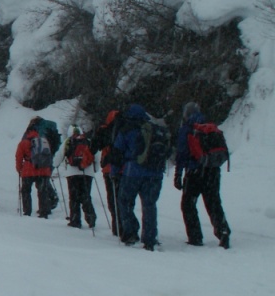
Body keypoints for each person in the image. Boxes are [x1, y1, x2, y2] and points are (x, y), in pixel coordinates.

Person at [174, 101, 231, 249]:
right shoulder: (210, 126)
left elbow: (181, 154)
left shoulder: (187, 129)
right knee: (213, 202)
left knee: (188, 204)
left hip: (195, 172)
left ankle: (195, 237)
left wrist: (178, 174)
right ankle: (223, 231)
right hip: (213, 170)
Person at [112, 104, 165, 251]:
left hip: (133, 172)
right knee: (149, 205)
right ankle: (150, 238)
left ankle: (130, 233)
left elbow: (117, 152)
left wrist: (114, 171)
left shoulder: (126, 130)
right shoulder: (154, 129)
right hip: (154, 173)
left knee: (125, 201)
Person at [57, 125, 97, 229]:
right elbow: (96, 155)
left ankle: (75, 221)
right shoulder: (88, 141)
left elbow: (59, 156)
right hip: (87, 173)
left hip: (72, 173)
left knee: (74, 198)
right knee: (86, 196)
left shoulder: (68, 142)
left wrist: (54, 165)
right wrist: (94, 169)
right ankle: (91, 218)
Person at [16, 117, 56, 218]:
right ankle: (44, 211)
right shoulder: (44, 141)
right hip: (43, 170)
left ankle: (27, 211)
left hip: (28, 170)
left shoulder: (23, 143)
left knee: (26, 191)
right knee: (42, 191)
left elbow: (19, 157)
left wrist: (19, 169)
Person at [91, 109, 122, 236]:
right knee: (123, 199)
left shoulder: (104, 130)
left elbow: (93, 148)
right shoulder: (126, 129)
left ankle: (117, 227)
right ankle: (125, 226)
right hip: (125, 169)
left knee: (112, 199)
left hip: (109, 169)